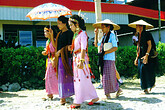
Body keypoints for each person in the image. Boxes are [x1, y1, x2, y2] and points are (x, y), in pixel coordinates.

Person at [68, 15, 99, 109]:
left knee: (80, 78)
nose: (70, 27)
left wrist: (81, 60)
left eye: (71, 25)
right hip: (76, 57)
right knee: (81, 79)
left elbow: (83, 49)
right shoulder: (76, 35)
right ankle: (94, 97)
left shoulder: (83, 34)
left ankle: (78, 101)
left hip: (80, 58)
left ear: (76, 24)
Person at [93, 19, 122, 99]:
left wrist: (105, 52)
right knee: (108, 76)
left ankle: (108, 94)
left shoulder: (112, 35)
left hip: (109, 58)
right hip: (104, 58)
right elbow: (96, 45)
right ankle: (116, 90)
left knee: (107, 76)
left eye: (103, 27)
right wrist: (96, 34)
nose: (102, 29)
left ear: (108, 27)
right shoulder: (104, 36)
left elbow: (115, 47)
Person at [128, 19, 156, 94]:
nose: (138, 27)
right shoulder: (137, 35)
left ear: (143, 27)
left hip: (147, 54)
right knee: (141, 71)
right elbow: (138, 47)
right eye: (137, 26)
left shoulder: (147, 34)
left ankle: (148, 86)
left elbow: (150, 45)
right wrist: (136, 57)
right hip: (140, 55)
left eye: (140, 26)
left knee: (146, 70)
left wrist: (146, 55)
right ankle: (146, 87)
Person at [53, 15, 74, 105]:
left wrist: (60, 51)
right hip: (59, 58)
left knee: (67, 76)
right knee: (61, 77)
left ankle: (66, 95)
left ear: (65, 24)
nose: (58, 25)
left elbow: (70, 47)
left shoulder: (70, 33)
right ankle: (63, 96)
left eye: (59, 23)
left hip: (66, 58)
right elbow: (55, 47)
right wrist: (51, 36)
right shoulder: (59, 34)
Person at [42, 26, 58, 100]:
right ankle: (49, 93)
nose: (45, 33)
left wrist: (52, 36)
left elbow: (55, 48)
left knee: (55, 76)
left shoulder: (54, 40)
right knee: (48, 76)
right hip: (49, 59)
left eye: (46, 31)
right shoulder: (47, 41)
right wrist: (45, 52)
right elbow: (48, 51)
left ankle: (58, 92)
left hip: (54, 59)